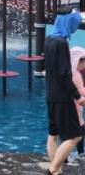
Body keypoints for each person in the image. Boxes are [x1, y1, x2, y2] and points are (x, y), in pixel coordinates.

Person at [45, 11, 85, 175]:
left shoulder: (49, 39)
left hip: (50, 94)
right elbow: (64, 74)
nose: (76, 26)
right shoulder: (61, 43)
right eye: (75, 23)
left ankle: (56, 170)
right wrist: (78, 96)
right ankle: (53, 169)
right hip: (63, 97)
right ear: (69, 23)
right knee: (75, 136)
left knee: (53, 134)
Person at [70, 47, 85, 160]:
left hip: (68, 107)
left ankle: (79, 152)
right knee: (80, 130)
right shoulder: (77, 75)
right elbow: (81, 92)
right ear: (79, 61)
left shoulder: (68, 73)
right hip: (76, 107)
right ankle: (80, 153)